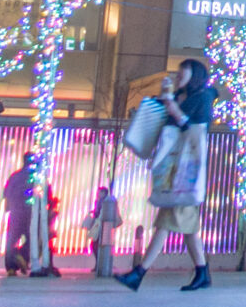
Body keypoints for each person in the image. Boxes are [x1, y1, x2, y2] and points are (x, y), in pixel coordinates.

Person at [115, 58, 214, 293]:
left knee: (165, 225)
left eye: (184, 73)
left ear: (196, 75)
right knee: (188, 230)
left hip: (186, 171)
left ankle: (139, 274)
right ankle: (202, 273)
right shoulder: (180, 95)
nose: (179, 76)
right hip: (175, 169)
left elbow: (192, 127)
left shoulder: (203, 97)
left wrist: (172, 104)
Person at [2, 157, 36, 276]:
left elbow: (7, 193)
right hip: (29, 212)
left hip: (15, 211)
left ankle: (11, 267)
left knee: (11, 240)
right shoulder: (34, 177)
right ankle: (21, 255)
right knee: (32, 239)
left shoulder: (15, 176)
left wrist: (8, 208)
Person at [85, 184, 122, 279]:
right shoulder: (99, 201)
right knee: (96, 245)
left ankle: (99, 264)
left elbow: (102, 213)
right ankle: (99, 264)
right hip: (100, 225)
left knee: (97, 244)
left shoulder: (105, 202)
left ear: (104, 193)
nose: (98, 194)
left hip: (101, 226)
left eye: (100, 192)